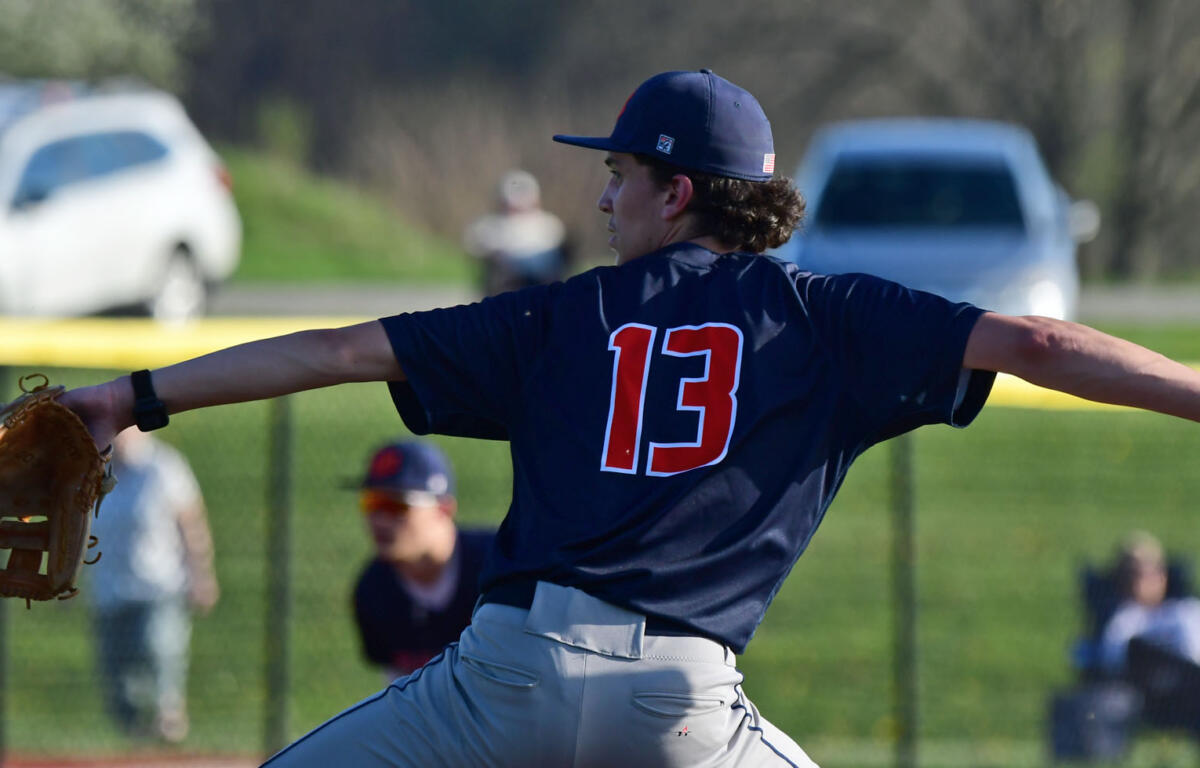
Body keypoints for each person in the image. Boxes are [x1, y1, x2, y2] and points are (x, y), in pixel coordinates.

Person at [59, 69, 1200, 767]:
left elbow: (339, 349)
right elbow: (1041, 343)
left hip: (502, 683)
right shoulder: (834, 318)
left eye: (617, 174)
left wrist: (131, 396)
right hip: (682, 712)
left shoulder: (557, 316)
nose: (601, 197)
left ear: (678, 189)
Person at [88, 427, 219, 743]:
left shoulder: (163, 467)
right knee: (118, 673)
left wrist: (201, 574)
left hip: (157, 584)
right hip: (108, 588)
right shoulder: (95, 470)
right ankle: (135, 739)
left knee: (160, 652)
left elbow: (190, 523)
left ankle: (169, 723)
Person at [350, 440, 493, 682]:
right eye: (372, 504)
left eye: (396, 505)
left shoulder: (498, 566)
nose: (380, 521)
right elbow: (400, 690)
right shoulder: (373, 591)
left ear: (444, 509)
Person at [1099, 531, 1200, 675]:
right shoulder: (1123, 620)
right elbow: (1114, 661)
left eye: (1153, 571)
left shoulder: (1187, 611)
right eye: (1135, 574)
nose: (1145, 581)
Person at [463, 169, 571, 295]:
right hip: (505, 289)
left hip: (543, 288)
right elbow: (474, 249)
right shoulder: (488, 226)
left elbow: (557, 264)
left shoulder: (550, 224)